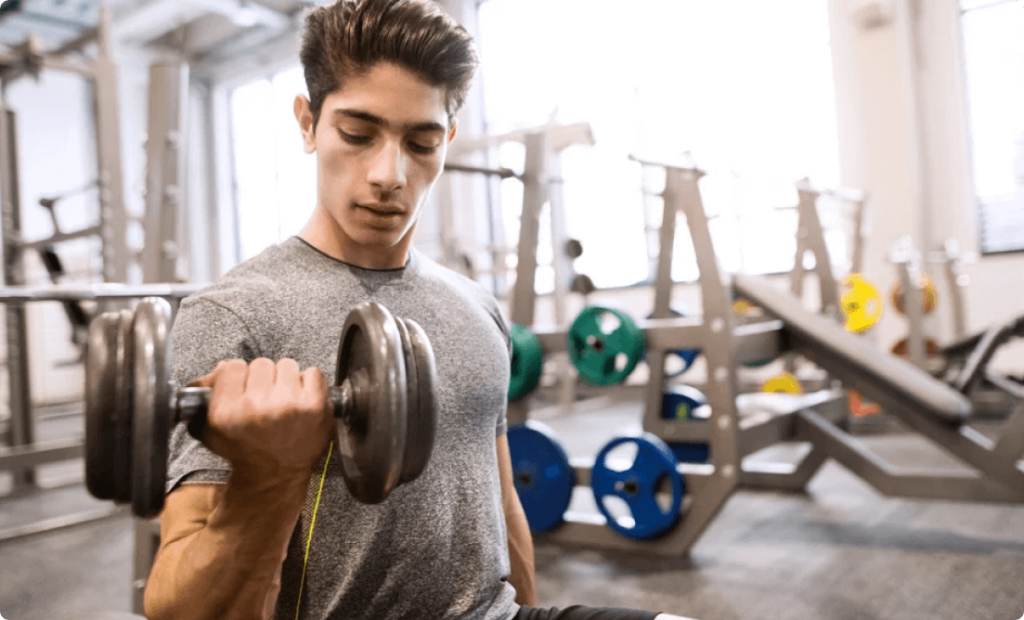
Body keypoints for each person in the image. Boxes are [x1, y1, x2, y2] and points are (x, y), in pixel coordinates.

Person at [143, 1, 697, 619]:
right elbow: (182, 610)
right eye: (357, 134)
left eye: (421, 141)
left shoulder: (474, 305)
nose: (389, 174)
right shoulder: (230, 316)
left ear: (447, 140)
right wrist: (267, 477)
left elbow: (502, 500)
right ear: (308, 123)